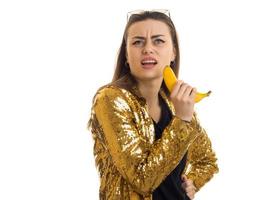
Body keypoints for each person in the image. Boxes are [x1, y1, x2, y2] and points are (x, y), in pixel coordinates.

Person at [87, 10, 218, 200]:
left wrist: (193, 182)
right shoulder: (110, 99)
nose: (148, 49)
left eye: (158, 41)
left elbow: (207, 160)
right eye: (138, 42)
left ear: (173, 52)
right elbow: (142, 179)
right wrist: (181, 121)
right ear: (126, 54)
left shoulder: (176, 104)